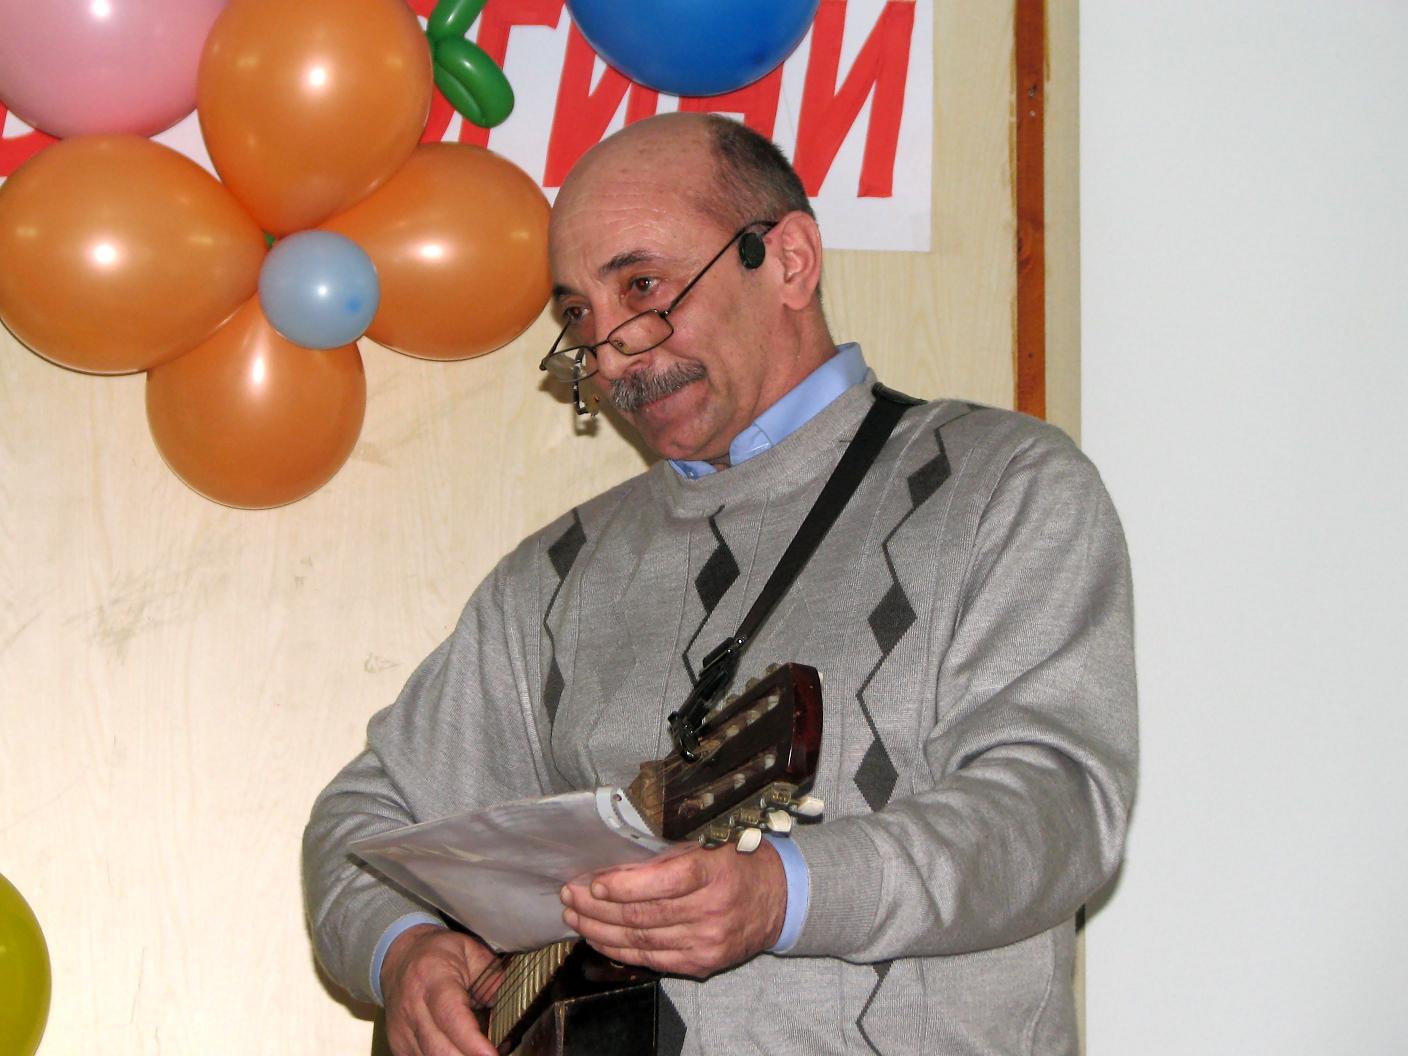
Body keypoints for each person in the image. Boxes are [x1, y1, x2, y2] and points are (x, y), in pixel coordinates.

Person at [304, 112, 1137, 1056]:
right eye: (579, 315)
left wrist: (786, 895)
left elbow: (1058, 808)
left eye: (642, 287)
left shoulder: (1002, 485)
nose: (610, 351)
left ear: (789, 261)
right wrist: (404, 951)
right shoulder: (552, 578)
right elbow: (360, 821)